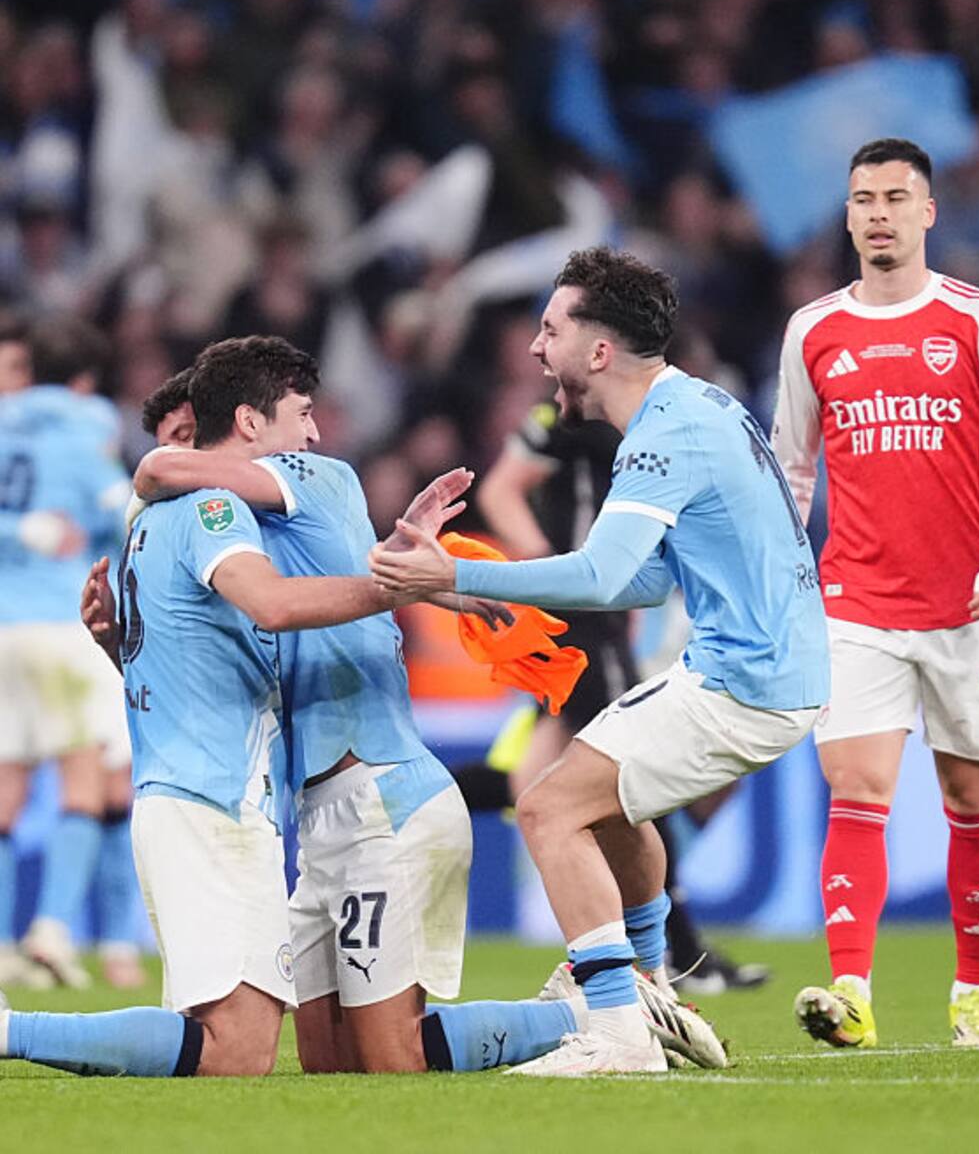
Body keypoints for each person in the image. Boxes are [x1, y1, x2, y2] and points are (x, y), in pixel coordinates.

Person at [113, 337, 711, 1075]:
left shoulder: (318, 476)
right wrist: (422, 574)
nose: (315, 431)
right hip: (319, 818)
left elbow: (159, 469)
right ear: (248, 419)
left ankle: (604, 1008)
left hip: (386, 803)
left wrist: (418, 578)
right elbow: (299, 590)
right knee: (331, 1065)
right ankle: (606, 1002)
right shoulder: (251, 537)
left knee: (394, 1058)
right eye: (302, 413)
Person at [369, 246, 829, 1075]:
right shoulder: (696, 405)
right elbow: (647, 582)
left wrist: (454, 571)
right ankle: (648, 984)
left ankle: (616, 1031)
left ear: (600, 350)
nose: (538, 349)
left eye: (551, 330)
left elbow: (605, 574)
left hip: (745, 681)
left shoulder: (665, 430)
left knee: (548, 810)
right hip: (758, 670)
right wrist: (482, 591)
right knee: (611, 806)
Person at [0, 335, 436, 1077]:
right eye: (300, 413)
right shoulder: (209, 511)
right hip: (214, 802)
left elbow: (177, 658)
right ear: (234, 427)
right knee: (238, 1053)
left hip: (196, 798)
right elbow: (270, 604)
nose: (311, 434)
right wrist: (402, 589)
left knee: (243, 1047)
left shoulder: (147, 528)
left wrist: (112, 641)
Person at [771, 138, 979, 1050]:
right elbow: (791, 470)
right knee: (855, 788)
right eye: (864, 199)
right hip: (854, 603)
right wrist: (781, 583)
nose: (880, 213)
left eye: (897, 197)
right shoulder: (812, 330)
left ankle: (973, 989)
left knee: (971, 798)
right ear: (849, 214)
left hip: (970, 607)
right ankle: (850, 992)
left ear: (928, 212)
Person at [460, 399, 769, 994]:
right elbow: (500, 491)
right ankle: (679, 953)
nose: (542, 348)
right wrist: (558, 575)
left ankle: (392, 793)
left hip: (601, 613)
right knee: (631, 777)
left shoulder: (626, 414)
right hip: (585, 615)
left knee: (531, 780)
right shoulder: (571, 417)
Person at [0, 317, 132, 991]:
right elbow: (121, 513)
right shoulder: (86, 427)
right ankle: (52, 931)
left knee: (4, 791)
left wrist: (18, 530)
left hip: (1, 627)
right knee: (85, 782)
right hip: (60, 623)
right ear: (83, 378)